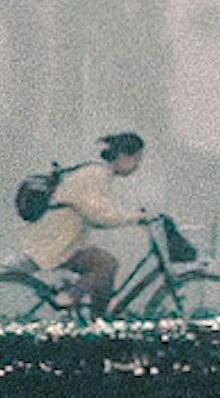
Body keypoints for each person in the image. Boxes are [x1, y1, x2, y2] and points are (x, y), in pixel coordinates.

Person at [20, 130, 149, 313]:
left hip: (56, 239)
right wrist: (137, 218)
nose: (137, 165)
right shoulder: (96, 175)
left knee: (104, 263)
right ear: (122, 156)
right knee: (106, 264)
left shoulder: (95, 172)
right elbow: (99, 215)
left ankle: (99, 315)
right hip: (54, 243)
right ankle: (73, 298)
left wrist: (133, 217)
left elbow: (103, 209)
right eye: (136, 159)